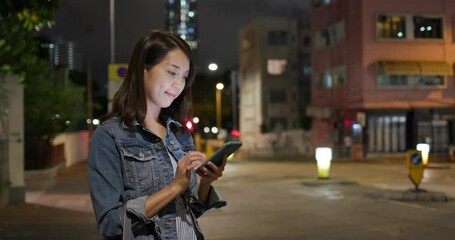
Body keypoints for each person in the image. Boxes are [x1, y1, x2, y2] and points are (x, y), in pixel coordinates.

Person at [88, 29, 227, 240]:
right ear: (144, 68)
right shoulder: (109, 135)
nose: (178, 84)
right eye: (172, 72)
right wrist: (174, 188)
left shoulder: (180, 134)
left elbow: (189, 210)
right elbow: (110, 224)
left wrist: (206, 182)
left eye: (184, 77)